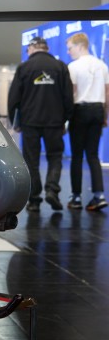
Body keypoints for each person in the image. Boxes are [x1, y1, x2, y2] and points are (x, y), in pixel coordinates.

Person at [8, 36, 74, 212]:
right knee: (55, 157)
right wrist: (65, 119)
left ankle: (34, 200)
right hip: (54, 122)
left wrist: (15, 121)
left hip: (30, 122)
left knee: (32, 160)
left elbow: (13, 98)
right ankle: (52, 190)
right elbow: (68, 98)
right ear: (46, 48)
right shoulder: (61, 67)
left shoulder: (24, 67)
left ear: (31, 48)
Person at [66, 32, 109, 210]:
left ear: (80, 46)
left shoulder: (73, 66)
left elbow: (72, 93)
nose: (68, 51)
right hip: (98, 110)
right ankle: (99, 196)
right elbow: (107, 93)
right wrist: (105, 116)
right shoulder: (102, 65)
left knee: (77, 156)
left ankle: (76, 198)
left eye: (70, 48)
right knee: (93, 155)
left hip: (80, 111)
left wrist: (66, 118)